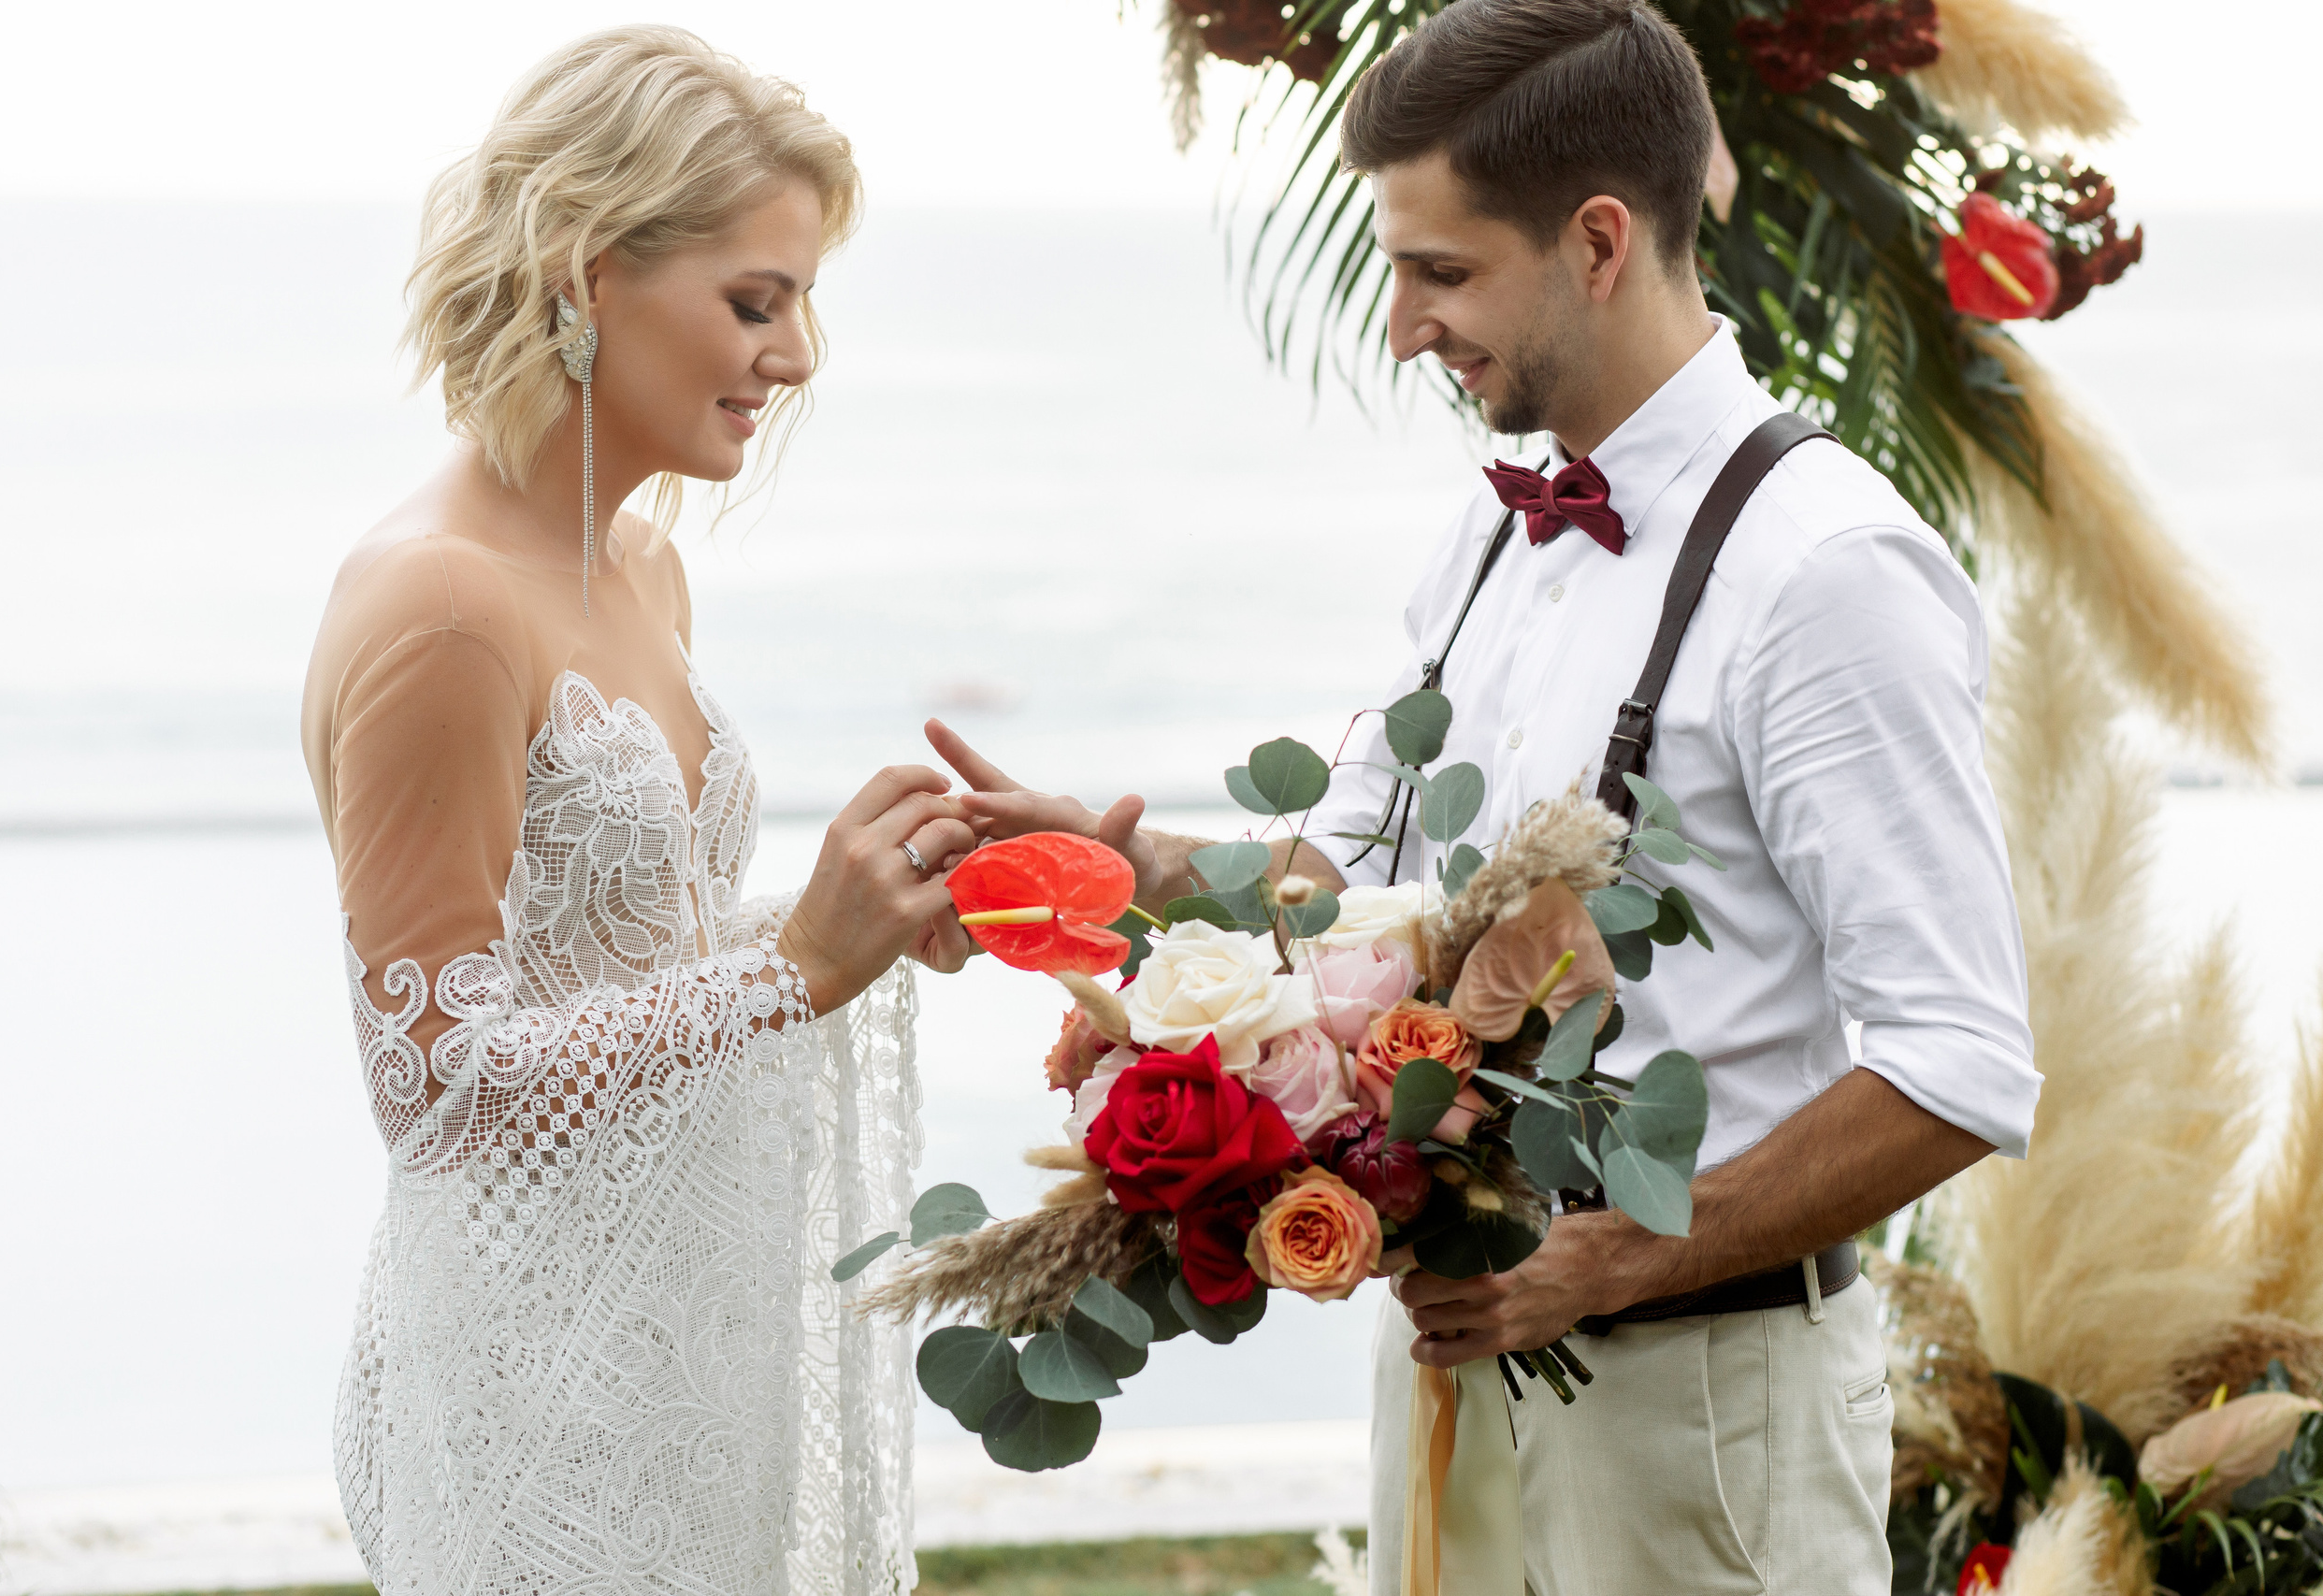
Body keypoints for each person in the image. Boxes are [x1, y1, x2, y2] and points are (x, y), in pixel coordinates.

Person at [931, 0, 2038, 1589]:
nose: (1397, 325)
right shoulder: (1489, 532)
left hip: (1703, 1409)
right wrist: (1110, 865)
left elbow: (1961, 1063)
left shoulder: (1828, 574)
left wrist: (1617, 1259)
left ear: (1597, 241)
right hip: (1450, 1369)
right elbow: (1350, 886)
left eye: (1440, 273)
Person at [301, 28, 970, 1594]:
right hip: (531, 1388)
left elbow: (611, 959)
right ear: (589, 274)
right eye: (757, 300)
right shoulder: (441, 609)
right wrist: (788, 967)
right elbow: (437, 1084)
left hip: (683, 1341)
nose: (794, 356)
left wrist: (860, 923)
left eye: (799, 302)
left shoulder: (646, 565)